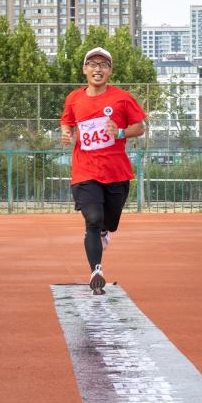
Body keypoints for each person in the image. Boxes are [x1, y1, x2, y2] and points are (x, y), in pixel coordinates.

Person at [60, 47, 147, 294]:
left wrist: (119, 132)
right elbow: (67, 121)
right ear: (85, 69)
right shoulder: (74, 98)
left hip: (116, 172)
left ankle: (105, 230)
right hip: (85, 171)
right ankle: (96, 271)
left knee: (109, 222)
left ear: (110, 71)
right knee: (93, 219)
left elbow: (139, 127)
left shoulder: (122, 98)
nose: (97, 69)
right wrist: (66, 133)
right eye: (93, 64)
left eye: (103, 65)